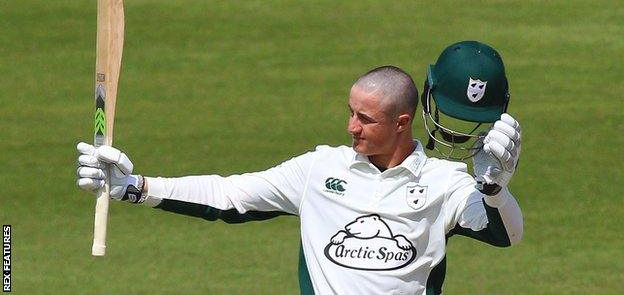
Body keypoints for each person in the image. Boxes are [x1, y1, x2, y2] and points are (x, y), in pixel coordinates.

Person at [77, 62, 523, 294]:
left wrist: (496, 190)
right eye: (350, 112)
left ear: (401, 123)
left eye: (365, 119)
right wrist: (135, 188)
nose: (351, 127)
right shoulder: (319, 169)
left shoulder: (445, 182)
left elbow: (507, 235)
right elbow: (229, 195)